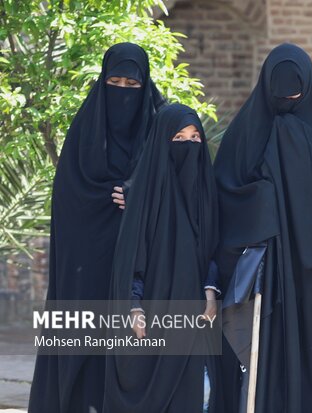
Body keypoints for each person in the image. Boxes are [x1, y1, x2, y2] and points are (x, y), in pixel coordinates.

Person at [213, 43, 312, 413]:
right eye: (280, 97)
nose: (287, 104)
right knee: (262, 360)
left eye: (295, 96)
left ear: (307, 89)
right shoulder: (246, 132)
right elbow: (224, 192)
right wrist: (267, 203)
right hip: (266, 273)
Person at [29, 42, 164, 413]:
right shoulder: (85, 130)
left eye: (132, 86)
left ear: (145, 85)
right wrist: (105, 201)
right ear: (102, 80)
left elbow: (176, 183)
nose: (122, 91)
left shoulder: (159, 126)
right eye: (115, 81)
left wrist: (138, 199)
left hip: (140, 254)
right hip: (87, 257)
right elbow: (69, 196)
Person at [104, 103, 220, 413]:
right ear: (162, 142)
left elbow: (212, 249)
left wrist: (210, 290)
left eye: (195, 138)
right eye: (179, 138)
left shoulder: (207, 195)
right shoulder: (144, 198)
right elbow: (132, 258)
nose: (189, 146)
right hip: (153, 316)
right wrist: (134, 306)